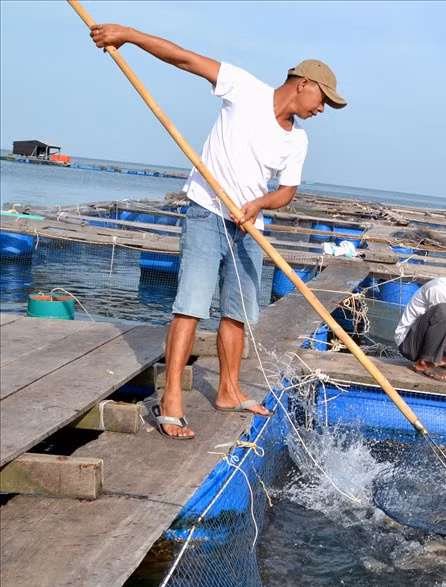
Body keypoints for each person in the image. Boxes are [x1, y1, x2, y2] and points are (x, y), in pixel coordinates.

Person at [90, 24, 347, 439]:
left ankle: (228, 390)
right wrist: (128, 35)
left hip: (249, 226)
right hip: (206, 212)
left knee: (238, 312)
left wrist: (260, 204)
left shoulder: (297, 140)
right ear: (304, 84)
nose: (322, 109)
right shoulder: (245, 88)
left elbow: (286, 192)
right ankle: (171, 398)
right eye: (323, 99)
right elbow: (183, 58)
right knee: (190, 306)